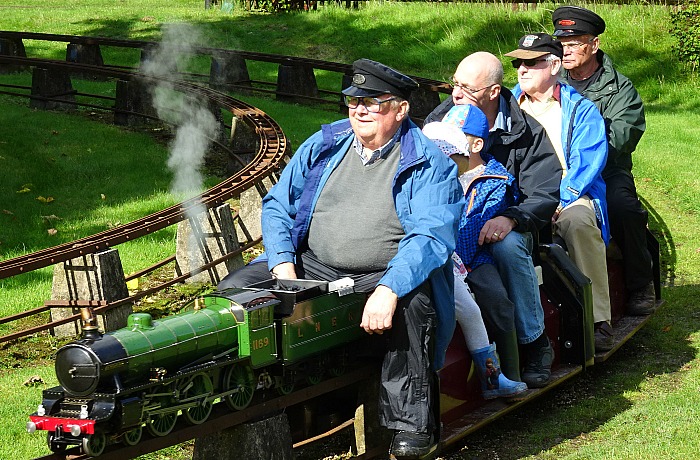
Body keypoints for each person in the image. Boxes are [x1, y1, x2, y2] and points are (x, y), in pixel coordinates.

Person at [218, 58, 465, 459]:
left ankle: (412, 425)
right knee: (236, 291)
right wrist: (283, 264)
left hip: (384, 270)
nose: (360, 110)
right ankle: (247, 398)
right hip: (313, 262)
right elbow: (279, 204)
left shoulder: (429, 163)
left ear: (401, 109)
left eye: (373, 102)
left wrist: (389, 288)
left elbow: (430, 236)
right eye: (353, 102)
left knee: (413, 303)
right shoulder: (324, 144)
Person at [424, 52, 562, 388]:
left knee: (508, 245)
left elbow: (543, 191)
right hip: (451, 236)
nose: (456, 94)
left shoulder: (526, 131)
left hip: (510, 222)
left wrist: (512, 218)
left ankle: (534, 342)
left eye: (467, 88)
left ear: (493, 92)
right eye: (455, 84)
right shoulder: (443, 119)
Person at [505, 33, 613, 352]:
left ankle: (598, 318)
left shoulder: (581, 110)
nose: (522, 69)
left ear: (553, 66)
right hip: (516, 196)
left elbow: (587, 162)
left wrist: (559, 200)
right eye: (517, 63)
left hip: (567, 194)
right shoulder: (503, 108)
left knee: (578, 222)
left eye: (530, 62)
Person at [552, 6, 655, 316]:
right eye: (561, 45)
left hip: (607, 170)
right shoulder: (550, 81)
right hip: (553, 170)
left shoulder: (620, 88)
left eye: (573, 44)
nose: (565, 51)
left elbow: (622, 137)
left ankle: (640, 283)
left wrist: (582, 161)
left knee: (622, 206)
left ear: (593, 45)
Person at [422, 104, 527, 398]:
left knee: (495, 300)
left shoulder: (495, 180)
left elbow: (474, 228)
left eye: (457, 139)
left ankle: (507, 370)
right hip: (442, 257)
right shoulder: (436, 174)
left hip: (472, 256)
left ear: (476, 144)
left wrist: (460, 264)